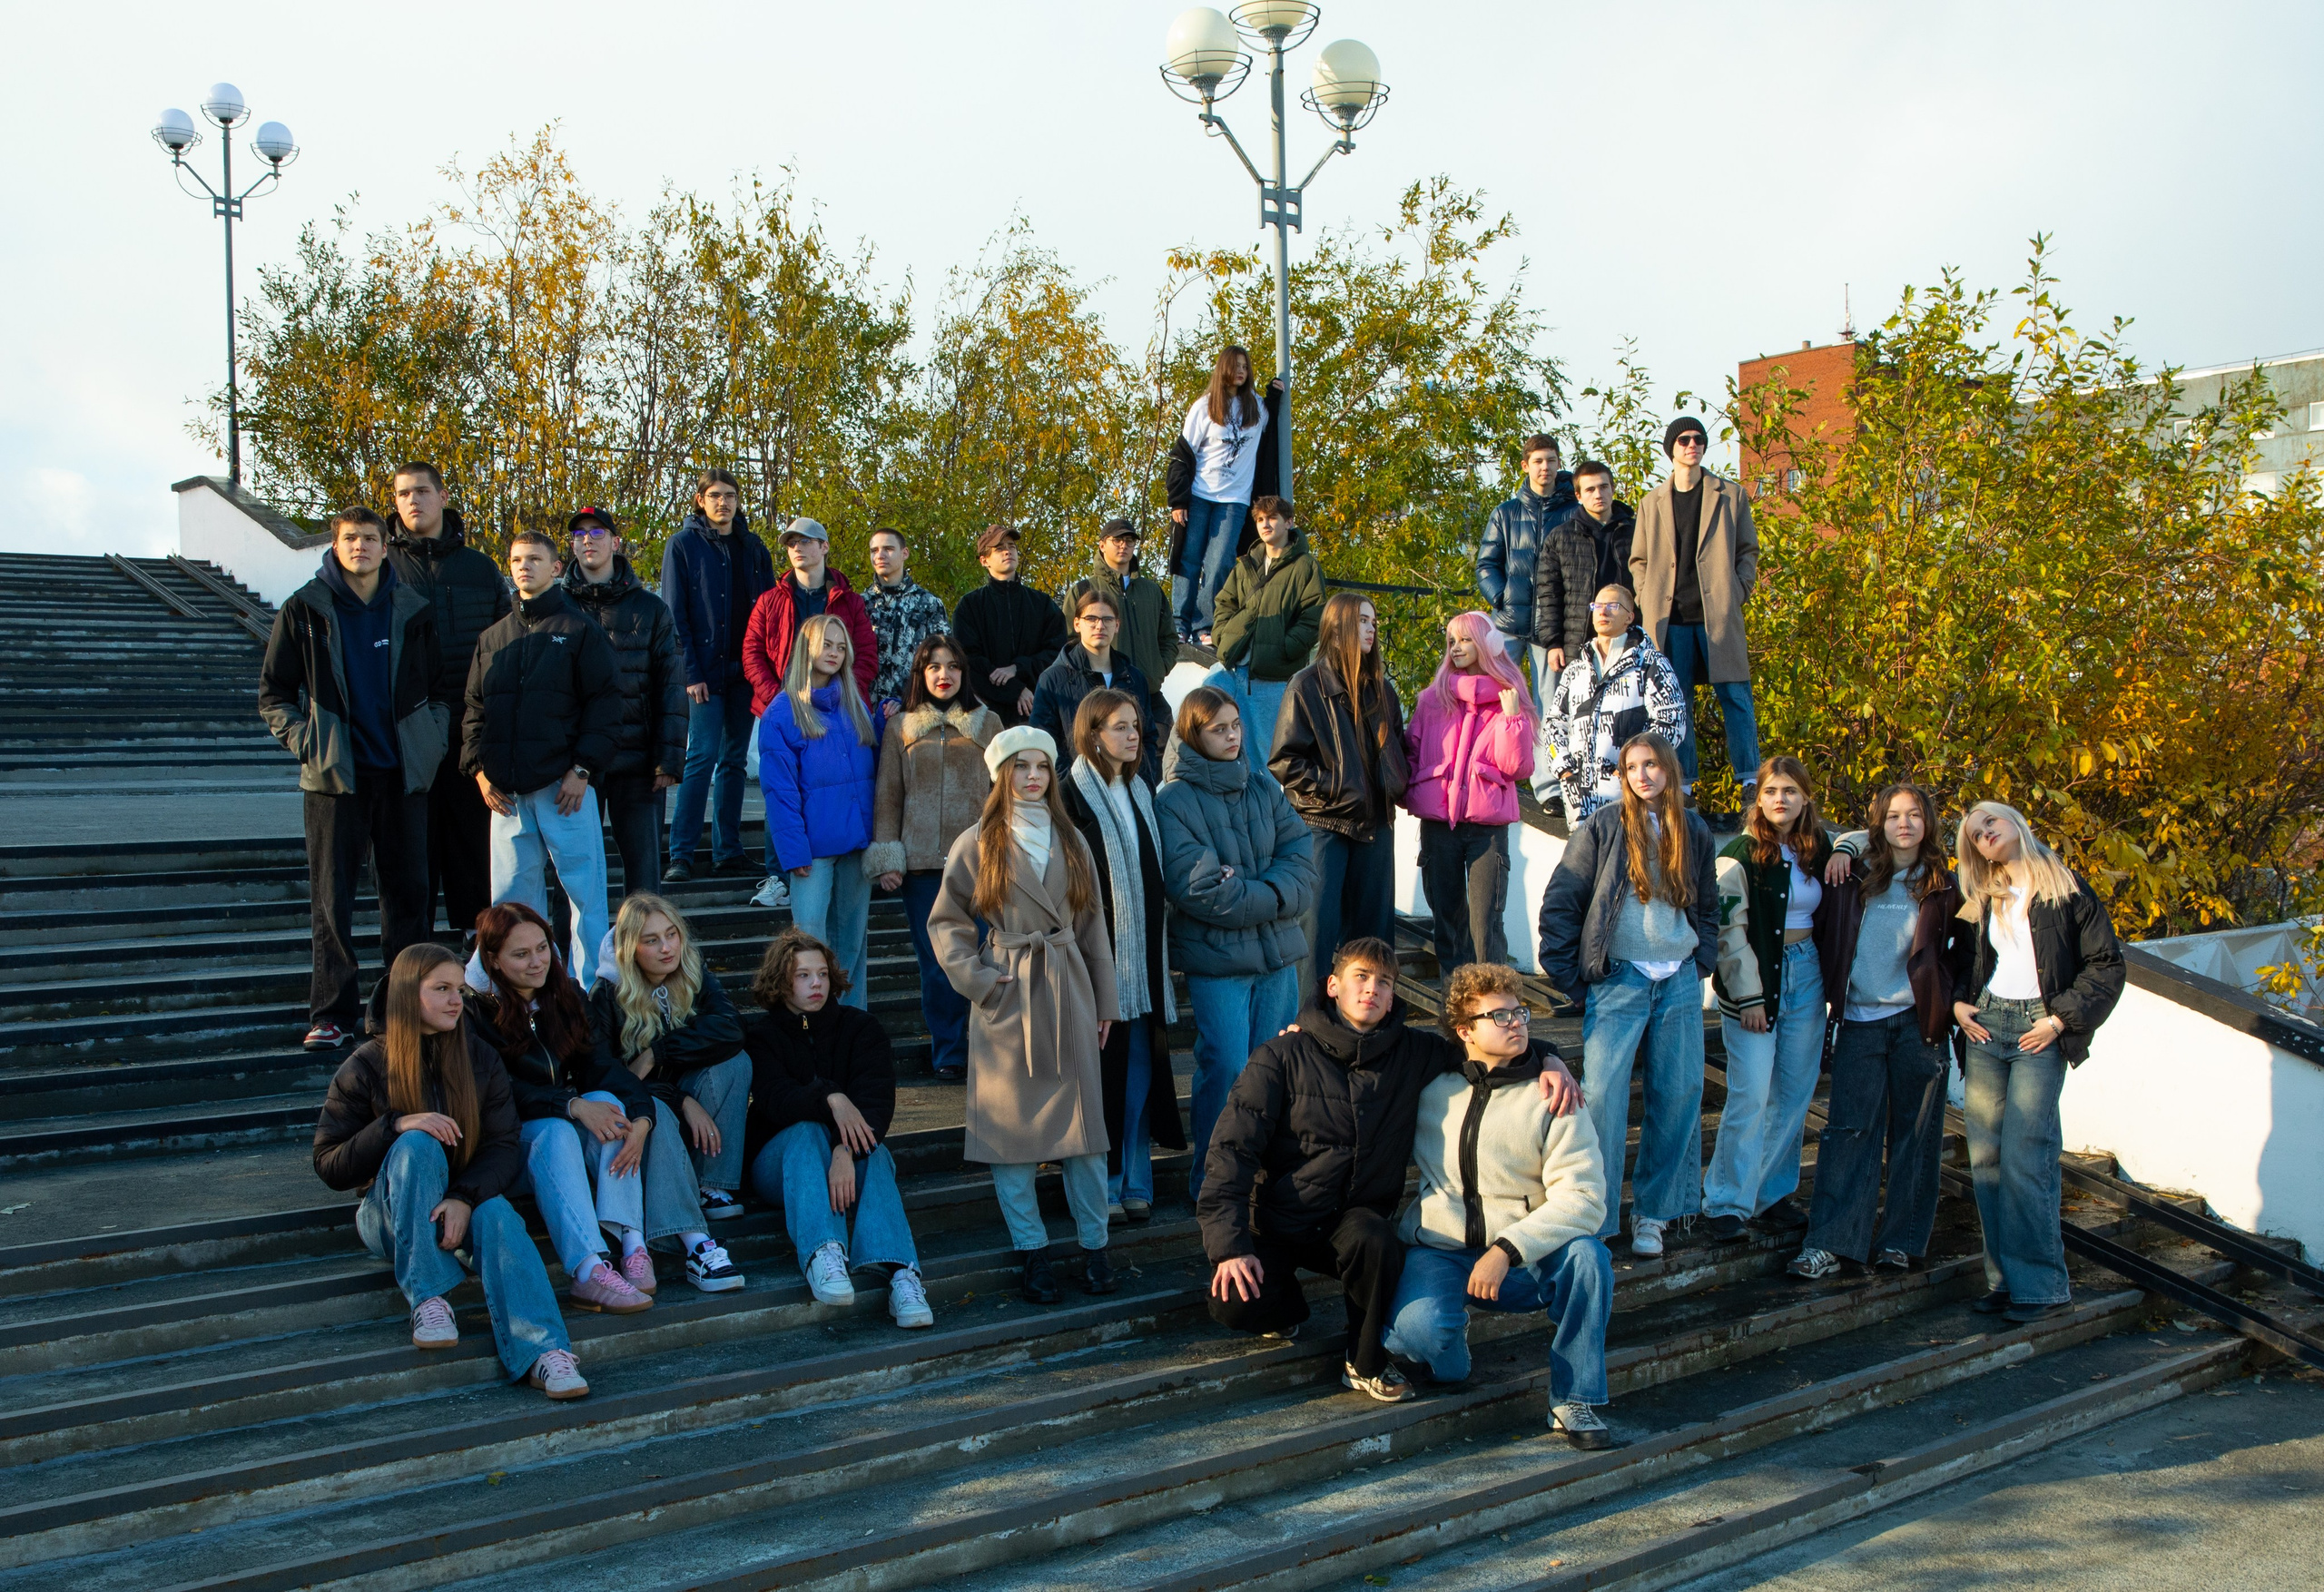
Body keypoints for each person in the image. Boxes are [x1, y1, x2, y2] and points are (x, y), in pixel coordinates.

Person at [1199, 938, 1581, 1403]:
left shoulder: (1414, 1052)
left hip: (1352, 1223)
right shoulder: (1281, 1056)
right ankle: (1286, 1310)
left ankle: (1363, 1361)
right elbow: (1230, 1153)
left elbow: (1485, 1042)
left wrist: (1549, 1057)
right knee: (1234, 1303)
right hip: (1281, 1216)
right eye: (1361, 977)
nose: (1372, 990)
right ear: (1333, 985)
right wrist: (1230, 1246)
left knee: (1376, 1237)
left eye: (1385, 982)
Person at [312, 943, 586, 1399]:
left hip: (458, 1205)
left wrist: (463, 1196)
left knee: (497, 1215)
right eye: (441, 989)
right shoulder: (365, 1064)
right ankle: (429, 1298)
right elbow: (328, 1163)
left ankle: (546, 1352)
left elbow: (502, 1145)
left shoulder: (479, 1057)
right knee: (417, 1143)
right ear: (406, 995)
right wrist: (395, 1125)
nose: (456, 1000)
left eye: (459, 989)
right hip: (389, 1216)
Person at [1382, 962, 1617, 1450]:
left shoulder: (1553, 1096)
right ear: (1465, 1031)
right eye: (1501, 1016)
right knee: (1419, 1336)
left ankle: (1574, 1398)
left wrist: (1507, 1249)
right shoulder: (1429, 1088)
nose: (1518, 1024)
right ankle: (1449, 1344)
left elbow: (1586, 1198)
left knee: (1590, 1258)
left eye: (1521, 1012)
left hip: (1523, 1260)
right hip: (1442, 1249)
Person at [925, 726, 1119, 1304]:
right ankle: (1032, 1254)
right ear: (999, 774)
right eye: (1020, 766)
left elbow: (1092, 927)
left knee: (1086, 1136)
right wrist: (982, 983)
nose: (1033, 776)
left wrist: (1105, 1002)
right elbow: (946, 924)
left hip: (1068, 988)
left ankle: (1096, 1246)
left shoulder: (1073, 840)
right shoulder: (977, 841)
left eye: (1041, 765)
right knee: (1010, 1140)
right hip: (1009, 994)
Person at [467, 901, 715, 1312]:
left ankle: (633, 1246)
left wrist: (641, 1115)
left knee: (609, 1104)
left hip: (560, 1127)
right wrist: (572, 1105)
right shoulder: (474, 1010)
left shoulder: (564, 996)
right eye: (520, 954)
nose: (536, 962)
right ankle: (589, 1269)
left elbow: (602, 1066)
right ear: (492, 959)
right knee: (561, 1126)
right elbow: (498, 1092)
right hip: (504, 1146)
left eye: (542, 948)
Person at [261, 507, 447, 1052]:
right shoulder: (304, 610)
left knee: (409, 897)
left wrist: (429, 744)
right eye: (350, 539)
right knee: (332, 898)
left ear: (386, 547)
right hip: (334, 779)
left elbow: (438, 691)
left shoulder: (413, 610)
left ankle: (403, 1009)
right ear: (335, 546)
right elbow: (274, 695)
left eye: (370, 538)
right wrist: (309, 742)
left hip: (402, 775)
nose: (360, 547)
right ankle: (333, 1014)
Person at [1537, 732, 1718, 1258]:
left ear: (1670, 770)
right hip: (1619, 978)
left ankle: (1654, 1214)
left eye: (1652, 765)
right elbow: (1563, 899)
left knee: (1680, 1094)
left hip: (1679, 978)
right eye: (1632, 766)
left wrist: (1699, 960)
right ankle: (1596, 1211)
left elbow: (1708, 905)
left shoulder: (1695, 830)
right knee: (1605, 1098)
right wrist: (1573, 976)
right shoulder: (1604, 826)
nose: (1643, 775)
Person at [1946, 801, 2125, 1324]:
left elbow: (2106, 965)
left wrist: (2060, 1021)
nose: (1984, 837)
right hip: (1987, 1026)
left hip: (2039, 1031)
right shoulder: (1984, 893)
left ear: (2016, 823)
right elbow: (1966, 961)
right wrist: (1959, 1003)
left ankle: (2043, 1288)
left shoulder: (2066, 888)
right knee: (1985, 1162)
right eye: (1975, 835)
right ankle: (2005, 1282)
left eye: (1990, 824)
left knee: (2028, 1157)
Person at [1788, 783, 1962, 1280]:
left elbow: (1967, 951)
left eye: (1913, 815)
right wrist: (1846, 844)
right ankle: (1832, 1242)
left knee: (1915, 1134)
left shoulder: (1944, 883)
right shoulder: (1855, 873)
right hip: (1861, 1021)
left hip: (1918, 1024)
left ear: (1928, 822)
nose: (1903, 824)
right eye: (1892, 816)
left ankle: (1900, 1242)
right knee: (1849, 1131)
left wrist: (1950, 1002)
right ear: (1878, 824)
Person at [1156, 686, 1316, 1202]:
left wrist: (1257, 888)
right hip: (1218, 962)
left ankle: (1264, 1177)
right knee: (1225, 1066)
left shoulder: (1262, 784)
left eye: (1235, 726)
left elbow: (1300, 857)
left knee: (1275, 1070)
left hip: (1276, 958)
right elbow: (1198, 888)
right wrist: (1273, 890)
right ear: (1192, 735)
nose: (1230, 736)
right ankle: (1212, 1180)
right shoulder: (1173, 799)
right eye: (1217, 729)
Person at [743, 928, 934, 1329]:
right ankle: (823, 1253)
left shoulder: (861, 1029)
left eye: (823, 974)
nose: (816, 983)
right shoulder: (762, 1037)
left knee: (875, 1151)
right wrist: (833, 1097)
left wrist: (844, 1151)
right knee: (805, 1131)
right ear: (781, 982)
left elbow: (876, 1106)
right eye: (802, 975)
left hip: (849, 1161)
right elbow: (777, 1101)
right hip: (778, 1167)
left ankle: (902, 1274)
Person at [463, 529, 622, 990]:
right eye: (516, 559)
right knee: (511, 907)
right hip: (506, 796)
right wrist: (477, 771)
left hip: (564, 789)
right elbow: (473, 711)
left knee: (586, 900)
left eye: (534, 559)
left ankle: (594, 992)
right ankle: (516, 995)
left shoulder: (579, 630)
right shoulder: (493, 637)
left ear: (556, 567)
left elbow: (607, 705)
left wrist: (583, 770)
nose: (524, 567)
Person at [1059, 690, 1186, 1222]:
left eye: (1136, 726)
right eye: (1120, 727)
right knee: (1101, 1078)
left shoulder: (1139, 790)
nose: (1134, 736)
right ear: (1091, 734)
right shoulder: (1070, 795)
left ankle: (1136, 1175)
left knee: (1138, 1074)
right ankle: (1102, 1182)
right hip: (1096, 960)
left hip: (1144, 965)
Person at [587, 891, 752, 1275]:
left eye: (672, 934)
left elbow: (732, 1028)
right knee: (656, 1109)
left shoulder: (693, 971)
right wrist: (681, 1101)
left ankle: (712, 1184)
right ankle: (692, 1240)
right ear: (630, 948)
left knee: (735, 1062)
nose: (667, 948)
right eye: (651, 940)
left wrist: (658, 1053)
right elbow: (611, 1078)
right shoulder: (606, 995)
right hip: (645, 1120)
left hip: (687, 1112)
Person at [1703, 757, 1832, 1243]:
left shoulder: (1814, 848)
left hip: (1807, 975)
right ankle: (1726, 1201)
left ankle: (1770, 1194)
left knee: (1795, 1093)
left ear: (1805, 799)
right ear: (1758, 799)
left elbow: (1869, 842)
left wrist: (1844, 849)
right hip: (1755, 982)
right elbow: (1727, 931)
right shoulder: (1739, 852)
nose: (1781, 799)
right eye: (1772, 790)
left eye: (1791, 791)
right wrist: (1750, 996)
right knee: (1752, 1094)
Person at [386, 461, 510, 942]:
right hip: (406, 734)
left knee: (473, 861)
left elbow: (506, 645)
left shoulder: (479, 568)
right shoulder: (383, 568)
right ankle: (409, 968)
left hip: (469, 733)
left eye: (421, 491)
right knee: (409, 862)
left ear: (441, 496)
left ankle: (479, 968)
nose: (413, 501)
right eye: (402, 494)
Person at [866, 634, 1000, 1083]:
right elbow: (887, 795)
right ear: (921, 675)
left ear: (964, 673)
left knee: (982, 958)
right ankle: (950, 1052)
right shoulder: (899, 727)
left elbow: (1005, 795)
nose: (944, 675)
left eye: (953, 666)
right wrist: (888, 855)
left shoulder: (987, 724)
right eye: (934, 667)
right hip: (922, 868)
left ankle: (987, 1049)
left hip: (981, 865)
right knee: (939, 966)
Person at [1272, 592, 1408, 979]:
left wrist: (1397, 784)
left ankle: (1372, 1027)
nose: (1371, 629)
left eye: (1374, 622)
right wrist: (1337, 790)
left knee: (1374, 944)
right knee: (1315, 938)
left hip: (1376, 825)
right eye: (1363, 620)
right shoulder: (1305, 686)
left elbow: (1398, 750)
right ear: (1339, 626)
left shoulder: (1383, 690)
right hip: (1324, 826)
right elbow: (1284, 760)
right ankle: (1309, 1025)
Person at [1630, 417, 1761, 818]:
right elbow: (1639, 559)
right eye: (1685, 440)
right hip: (1671, 618)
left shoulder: (1730, 496)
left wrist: (1738, 590)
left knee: (1736, 697)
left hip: (1718, 616)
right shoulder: (1651, 502)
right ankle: (1684, 786)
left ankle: (1751, 780)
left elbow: (1748, 552)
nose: (1693, 445)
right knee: (1677, 701)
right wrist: (1644, 595)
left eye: (1699, 439)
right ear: (1671, 449)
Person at [561, 506, 684, 902]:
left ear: (615, 543)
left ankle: (648, 962)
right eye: (579, 535)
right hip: (575, 764)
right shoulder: (556, 607)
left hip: (638, 763)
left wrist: (669, 757)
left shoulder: (651, 609)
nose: (588, 541)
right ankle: (570, 964)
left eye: (596, 533)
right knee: (574, 878)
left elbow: (671, 686)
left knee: (644, 881)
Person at [660, 469, 777, 883]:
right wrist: (690, 671)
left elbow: (769, 613)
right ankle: (682, 853)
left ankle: (728, 850)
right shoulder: (682, 546)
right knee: (701, 758)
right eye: (714, 495)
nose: (723, 502)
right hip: (703, 676)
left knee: (733, 763)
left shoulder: (753, 548)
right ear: (700, 500)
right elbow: (675, 613)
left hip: (745, 674)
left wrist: (766, 671)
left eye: (730, 495)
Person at [1403, 611, 1535, 976]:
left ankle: (1493, 1011)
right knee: (1447, 924)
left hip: (1487, 830)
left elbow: (1518, 769)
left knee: (1486, 929)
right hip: (1438, 826)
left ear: (1488, 644)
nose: (1456, 648)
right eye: (1451, 641)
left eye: (1465, 639)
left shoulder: (1509, 699)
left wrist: (1511, 720)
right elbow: (1411, 753)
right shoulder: (1432, 699)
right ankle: (1455, 1016)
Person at [757, 614, 884, 984]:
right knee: (809, 951)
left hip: (856, 847)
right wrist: (792, 851)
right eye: (827, 644)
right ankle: (812, 1034)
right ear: (806, 647)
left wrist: (883, 721)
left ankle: (853, 1032)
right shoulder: (781, 713)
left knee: (853, 952)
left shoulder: (855, 705)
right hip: (812, 853)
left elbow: (869, 772)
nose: (834, 653)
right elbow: (779, 793)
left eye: (841, 647)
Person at [1541, 585, 1688, 830]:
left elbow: (1671, 722)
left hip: (1633, 802)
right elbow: (1554, 724)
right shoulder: (1576, 669)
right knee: (1585, 868)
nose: (1603, 612)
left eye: (1613, 606)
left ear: (1630, 617)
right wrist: (1564, 770)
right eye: (1597, 606)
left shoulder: (1650, 664)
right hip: (1579, 806)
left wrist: (1630, 768)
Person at [1209, 495, 1325, 773]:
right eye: (1260, 519)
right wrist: (1224, 637)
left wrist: (1285, 649)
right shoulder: (1245, 565)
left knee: (1266, 759)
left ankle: (1270, 816)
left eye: (1272, 518)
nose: (1265, 524)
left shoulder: (1305, 566)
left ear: (1289, 523)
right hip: (1234, 668)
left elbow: (1313, 617)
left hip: (1272, 678)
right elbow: (1224, 604)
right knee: (1208, 728)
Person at [1168, 348, 1275, 644]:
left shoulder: (1257, 407)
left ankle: (1205, 624)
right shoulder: (1204, 407)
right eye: (1235, 365)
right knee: (1189, 559)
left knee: (1220, 562)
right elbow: (1182, 454)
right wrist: (1178, 499)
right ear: (1224, 368)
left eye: (1245, 366)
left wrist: (1276, 396)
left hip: (1235, 500)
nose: (1241, 371)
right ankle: (1180, 623)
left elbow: (1271, 433)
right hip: (1200, 494)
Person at [742, 516, 878, 722]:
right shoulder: (768, 601)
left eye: (805, 541)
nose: (797, 548)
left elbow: (866, 656)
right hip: (780, 708)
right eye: (791, 543)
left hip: (838, 711)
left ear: (825, 547)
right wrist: (778, 698)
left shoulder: (850, 602)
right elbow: (752, 655)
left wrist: (839, 696)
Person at [1030, 587, 1160, 786]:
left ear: (1117, 625)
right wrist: (1073, 788)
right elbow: (1043, 743)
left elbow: (1147, 737)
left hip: (1129, 788)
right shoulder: (1053, 679)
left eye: (1107, 619)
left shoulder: (1134, 678)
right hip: (1076, 795)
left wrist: (1141, 783)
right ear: (1077, 624)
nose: (1100, 626)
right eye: (1091, 619)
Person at [1479, 433, 1573, 702]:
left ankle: (1546, 748)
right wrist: (1503, 598)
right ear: (1525, 465)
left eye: (1551, 460)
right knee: (1494, 697)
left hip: (1551, 627)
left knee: (1550, 706)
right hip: (1508, 623)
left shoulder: (1573, 513)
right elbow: (1486, 564)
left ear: (1558, 464)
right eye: (1539, 461)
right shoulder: (1505, 513)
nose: (1545, 467)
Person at [1065, 518, 1177, 732]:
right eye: (1116, 540)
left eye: (1129, 540)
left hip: (1150, 694)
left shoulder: (1152, 591)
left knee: (1160, 755)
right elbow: (1068, 641)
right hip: (1101, 695)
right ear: (1102, 545)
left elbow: (1168, 638)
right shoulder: (1083, 590)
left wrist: (1158, 669)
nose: (1123, 545)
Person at [952, 524, 1067, 727]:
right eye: (999, 548)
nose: (1008, 551)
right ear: (984, 560)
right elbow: (968, 661)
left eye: (1011, 546)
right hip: (985, 714)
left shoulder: (1042, 604)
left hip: (1037, 710)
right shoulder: (970, 606)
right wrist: (1015, 690)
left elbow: (1057, 653)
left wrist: (1018, 668)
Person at [1532, 460, 1638, 677]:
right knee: (1579, 708)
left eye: (1603, 487)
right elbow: (1549, 594)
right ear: (1578, 496)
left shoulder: (1636, 531)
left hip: (1629, 637)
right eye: (1590, 489)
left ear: (1613, 489)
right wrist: (1553, 643)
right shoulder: (1561, 537)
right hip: (1578, 639)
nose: (1598, 494)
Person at [862, 526, 950, 717]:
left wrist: (909, 700)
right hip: (865, 714)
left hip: (915, 713)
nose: (880, 555)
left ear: (904, 553)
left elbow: (942, 662)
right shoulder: (860, 604)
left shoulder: (928, 604)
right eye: (874, 550)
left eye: (888, 549)